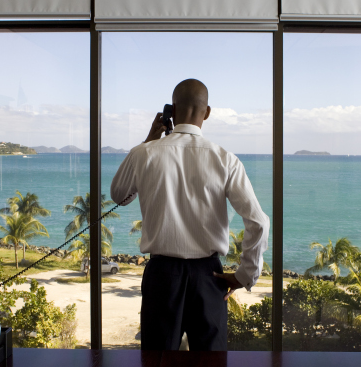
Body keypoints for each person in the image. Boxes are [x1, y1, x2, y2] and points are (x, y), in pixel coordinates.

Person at [110, 79, 269, 351]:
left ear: (171, 110)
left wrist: (150, 140)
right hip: (208, 276)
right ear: (207, 112)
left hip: (161, 276)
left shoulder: (144, 153)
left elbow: (119, 195)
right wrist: (244, 275)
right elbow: (258, 221)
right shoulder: (225, 159)